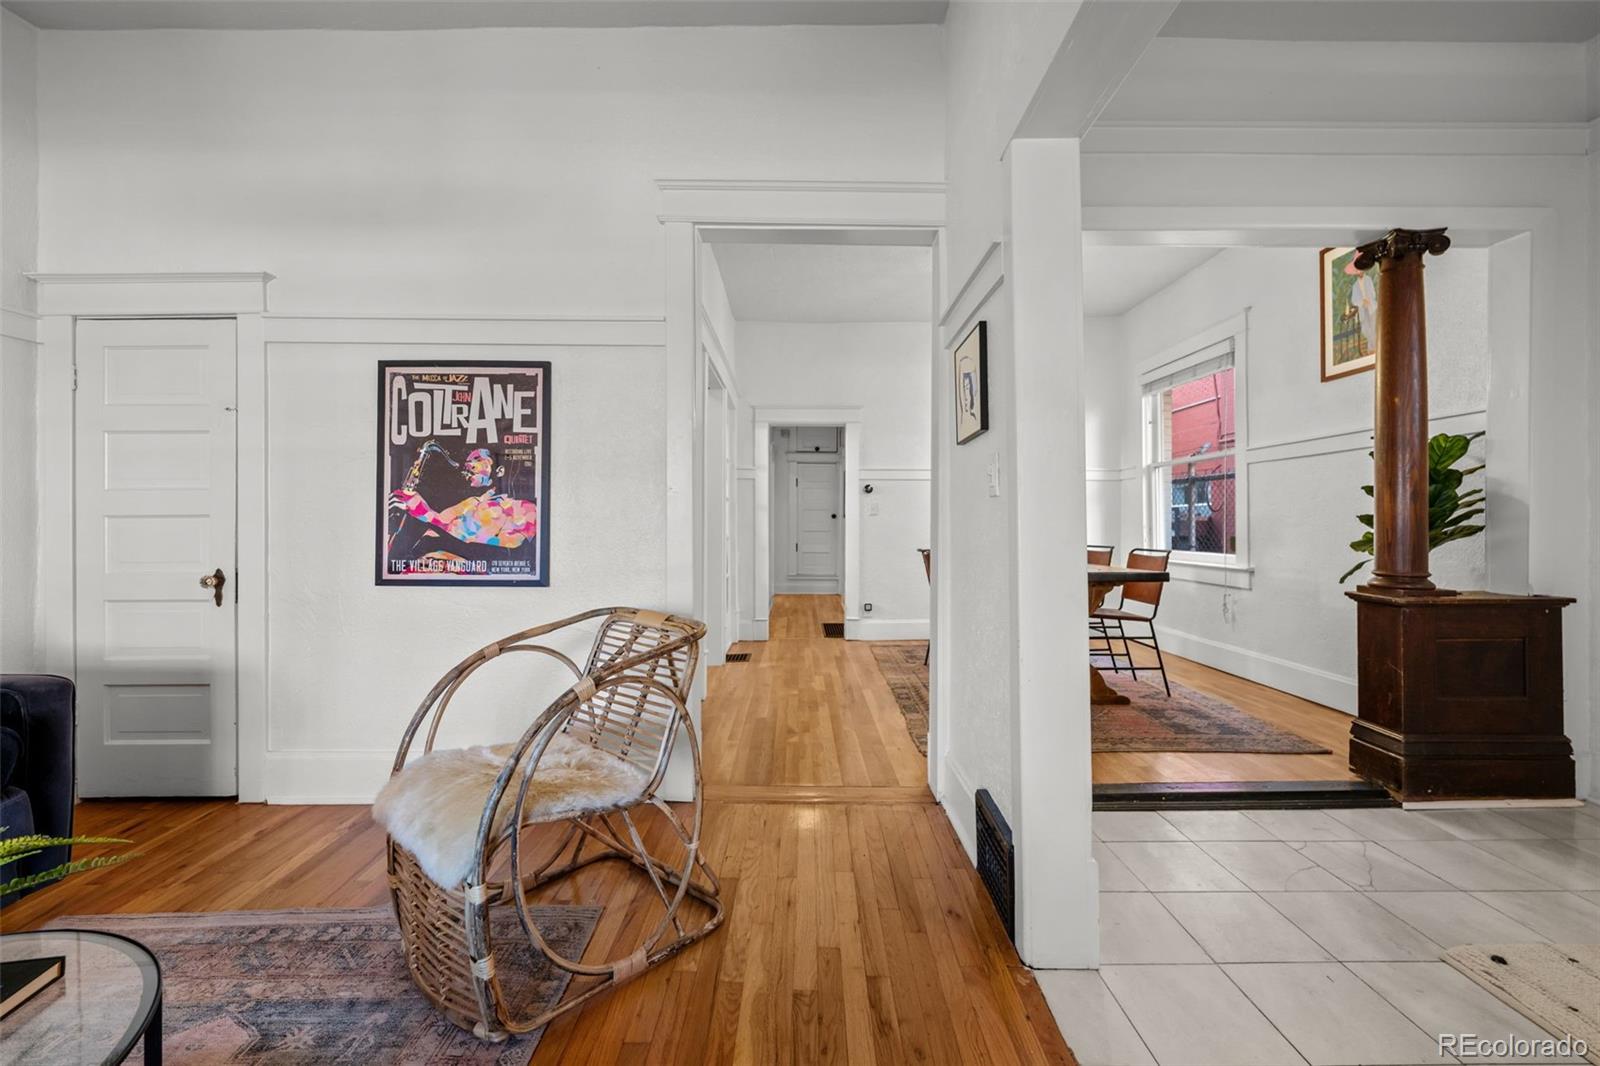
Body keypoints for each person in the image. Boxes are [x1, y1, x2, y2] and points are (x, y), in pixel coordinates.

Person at [386, 442, 538, 567]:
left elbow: (509, 552)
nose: (468, 465)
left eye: (477, 459)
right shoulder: (469, 503)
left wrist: (426, 515)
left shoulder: (525, 508)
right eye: (467, 461)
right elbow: (436, 526)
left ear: (499, 470)